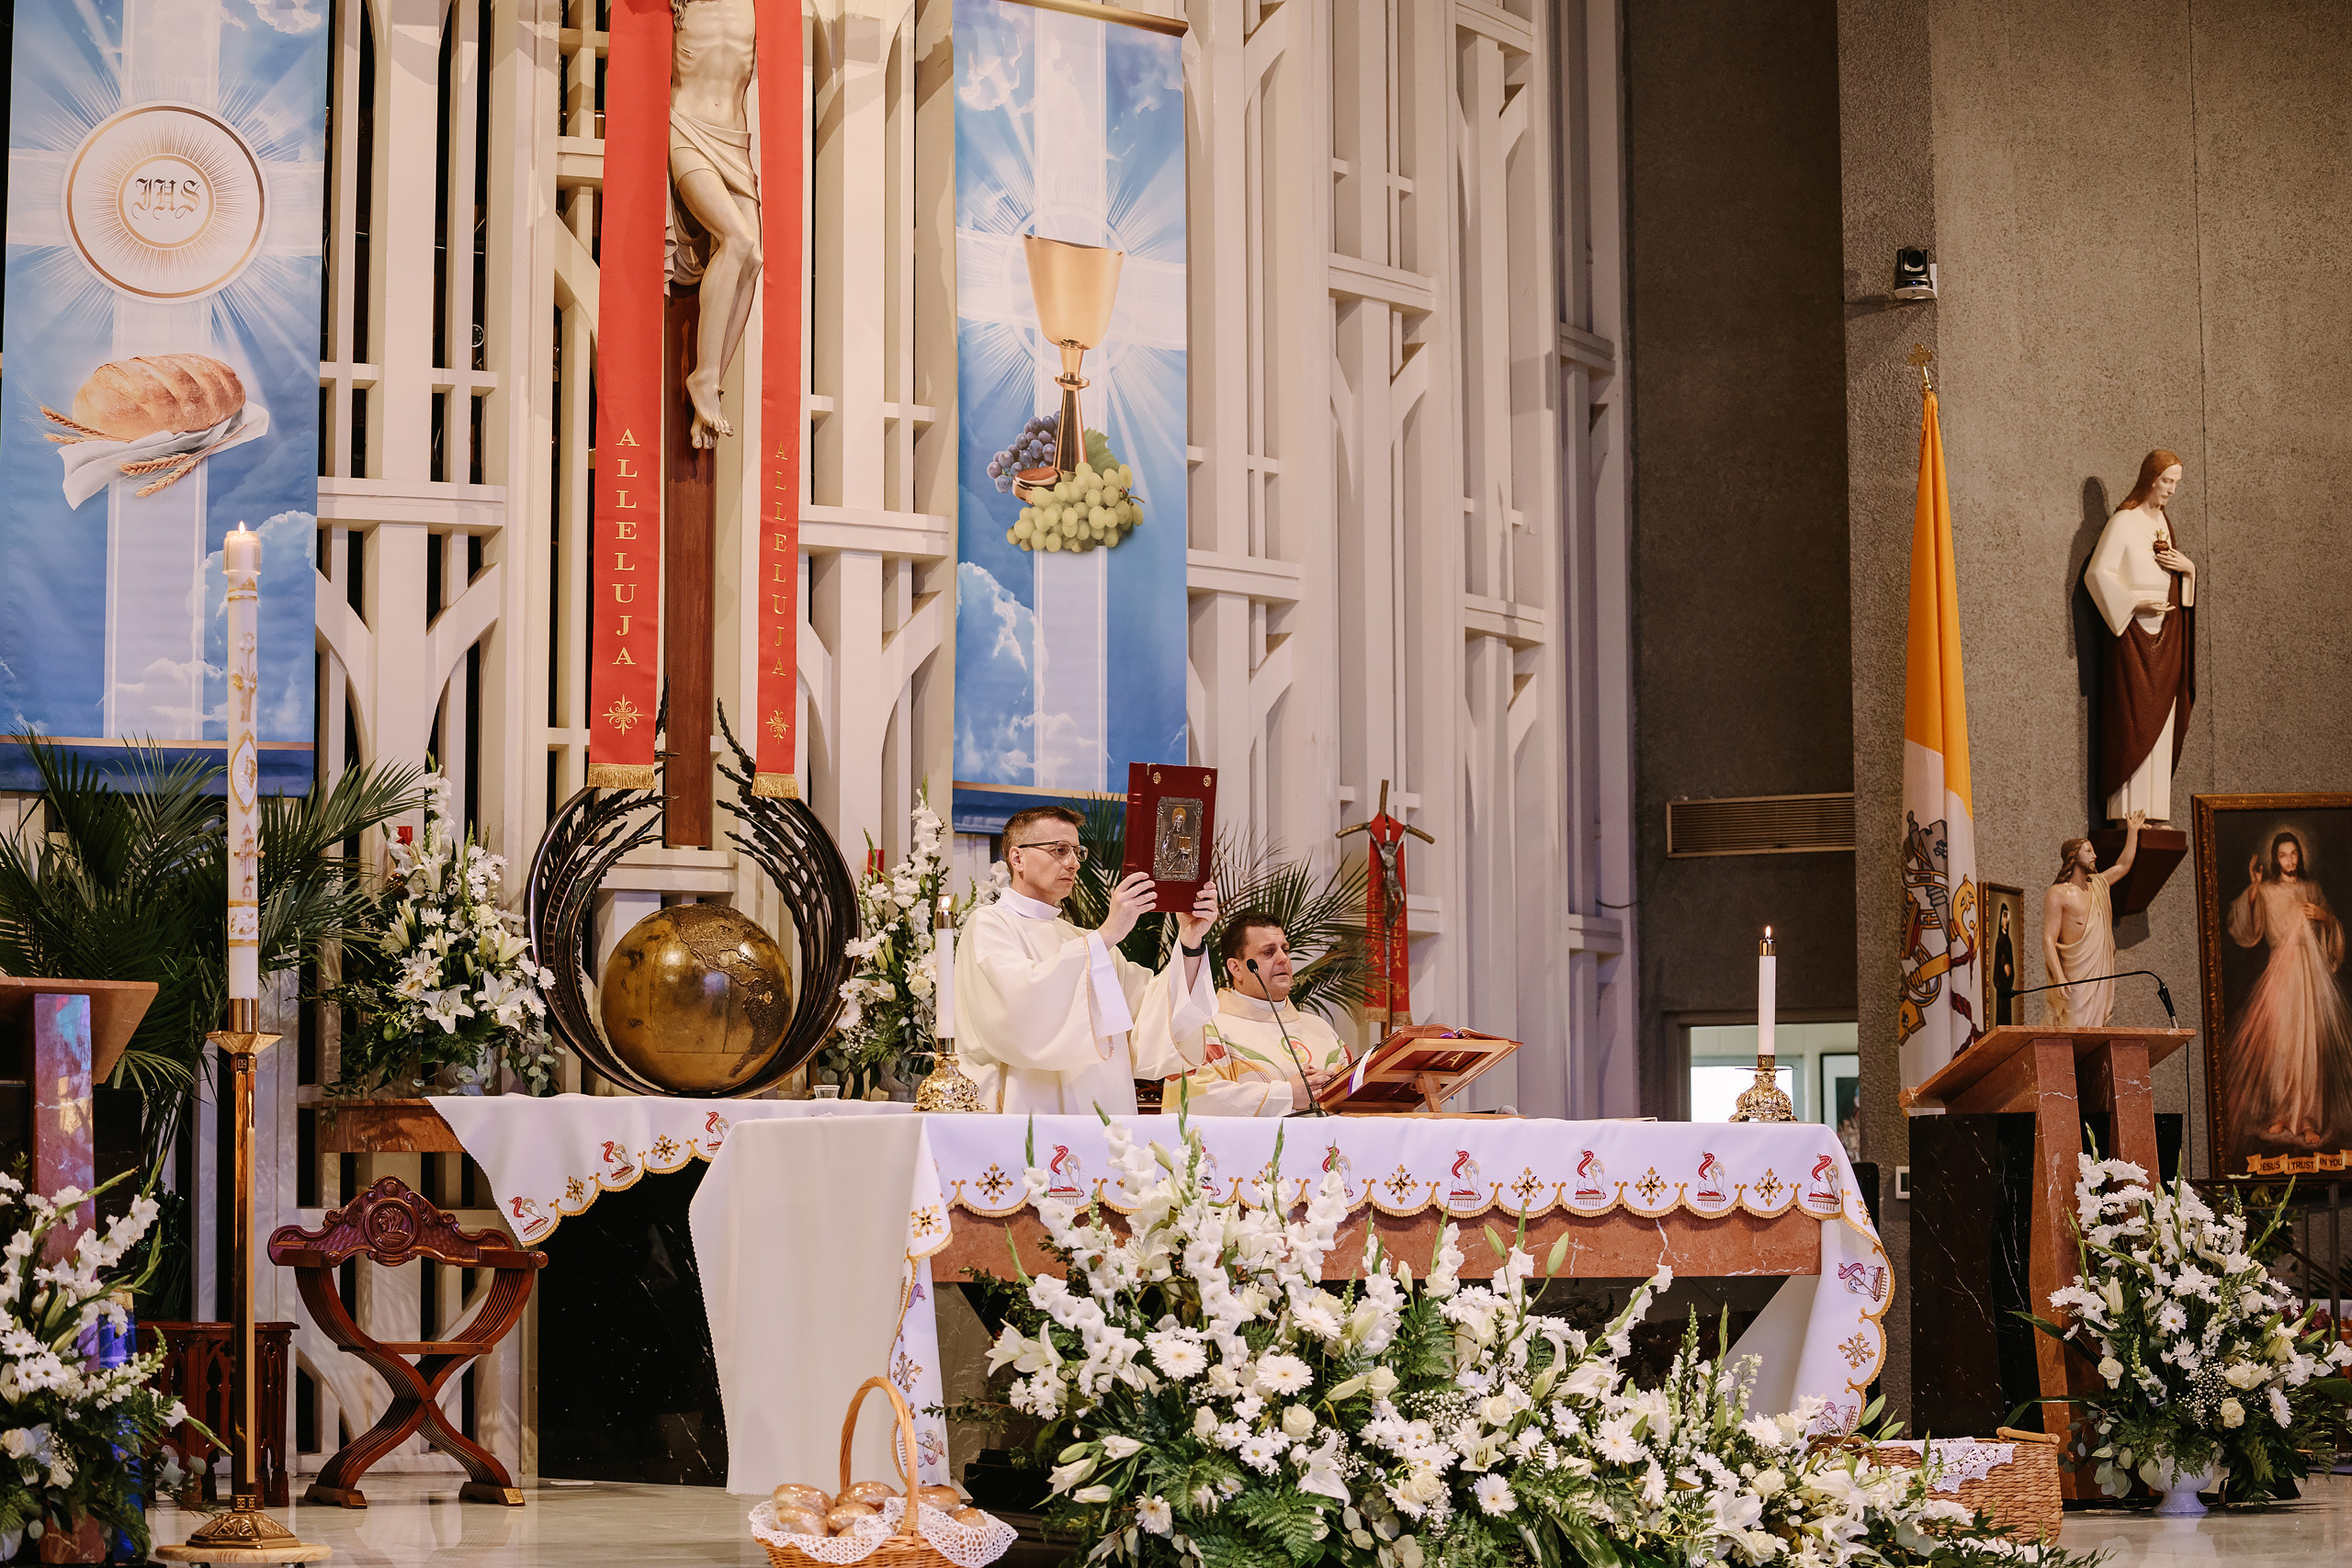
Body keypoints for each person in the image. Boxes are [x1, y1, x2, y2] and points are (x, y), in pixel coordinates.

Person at [955, 805, 1217, 1114]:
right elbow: (1020, 1007)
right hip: (1029, 1110)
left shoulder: (1083, 940)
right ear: (1017, 858)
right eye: (1059, 850)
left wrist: (1190, 940)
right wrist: (1108, 933)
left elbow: (1152, 1014)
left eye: (1077, 852)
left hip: (1101, 1113)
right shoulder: (991, 924)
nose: (1073, 863)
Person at [1144, 912, 1352, 1117]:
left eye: (1285, 949)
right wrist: (1285, 1095)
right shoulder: (1204, 1029)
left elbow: (1357, 1096)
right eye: (1268, 952)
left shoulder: (1321, 1030)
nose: (1283, 959)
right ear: (1236, 968)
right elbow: (1193, 1097)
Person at [2220, 830, 2352, 1153]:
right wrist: (2254, 887)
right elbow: (2245, 926)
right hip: (2281, 972)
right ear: (2275, 859)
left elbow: (2331, 928)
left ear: (2299, 856)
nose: (2289, 860)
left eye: (2294, 854)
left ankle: (2309, 1119)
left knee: (2310, 1046)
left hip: (2310, 974)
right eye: (2283, 855)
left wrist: (2325, 917)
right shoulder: (2266, 891)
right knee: (2281, 1045)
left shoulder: (2312, 889)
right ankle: (2281, 1112)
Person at [669, 0, 763, 448]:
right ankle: (703, 378)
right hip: (687, 130)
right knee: (738, 239)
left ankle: (710, 387)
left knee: (754, 258)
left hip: (735, 142)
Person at [2083, 451, 2197, 823]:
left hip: (2166, 637)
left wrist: (2189, 571)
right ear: (2150, 478)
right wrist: (2134, 603)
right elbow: (2097, 574)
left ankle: (2156, 813)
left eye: (2176, 483)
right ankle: (2128, 815)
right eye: (2167, 481)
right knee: (2133, 719)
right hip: (2131, 636)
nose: (2171, 490)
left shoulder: (2164, 524)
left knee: (2162, 724)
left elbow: (2176, 585)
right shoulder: (2123, 522)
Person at [2042, 811, 2144, 1027]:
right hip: (2074, 975)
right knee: (2073, 1026)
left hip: (2098, 972)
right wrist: (2059, 976)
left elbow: (2123, 866)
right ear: (2073, 856)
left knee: (2097, 1029)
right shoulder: (2058, 893)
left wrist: (2132, 832)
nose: (2095, 855)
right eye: (2088, 851)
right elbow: (2049, 939)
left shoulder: (2098, 885)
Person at [1992, 902, 2017, 1026]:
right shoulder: (2000, 939)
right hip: (2002, 980)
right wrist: (2005, 964)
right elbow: (2000, 957)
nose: (2006, 921)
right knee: (2002, 1008)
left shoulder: (2008, 939)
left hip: (2007, 982)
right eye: (2004, 918)